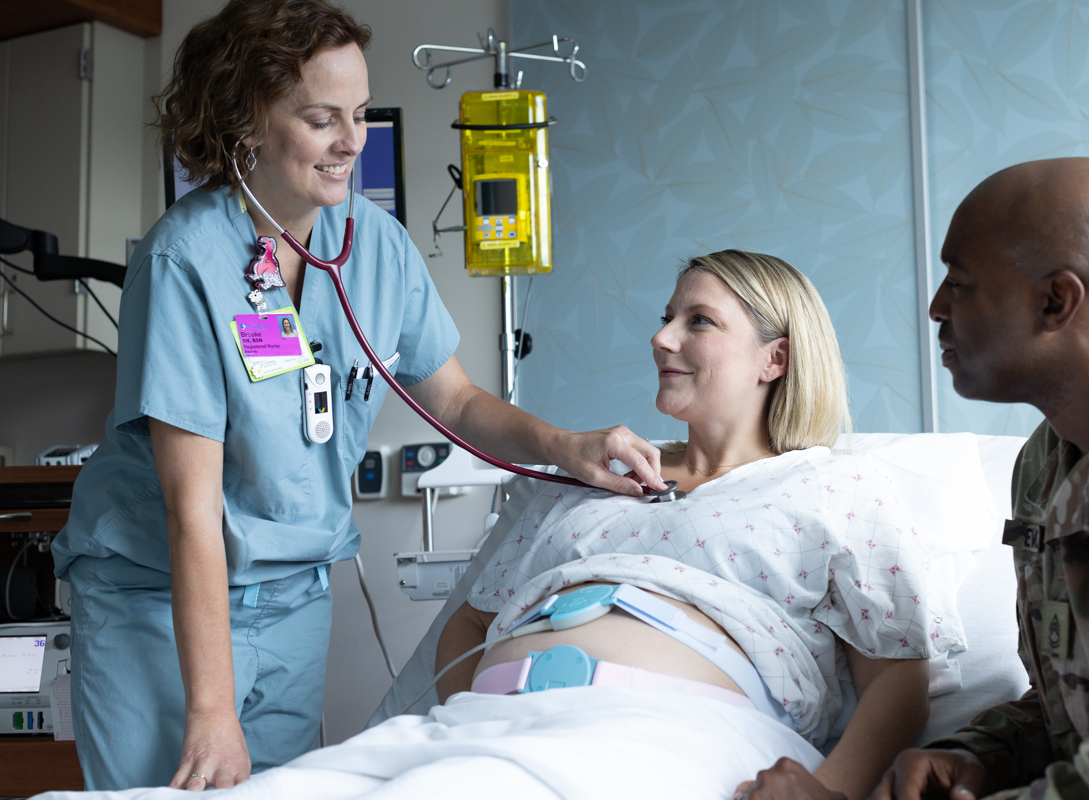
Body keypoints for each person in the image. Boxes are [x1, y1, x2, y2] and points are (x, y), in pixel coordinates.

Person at [50, 0, 665, 791]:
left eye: (361, 114)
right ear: (246, 124)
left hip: (295, 592)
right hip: (159, 598)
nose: (352, 142)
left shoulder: (372, 243)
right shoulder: (186, 264)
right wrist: (212, 710)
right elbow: (191, 509)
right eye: (321, 118)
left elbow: (456, 399)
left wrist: (567, 448)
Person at [434, 250, 962, 800]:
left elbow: (897, 674)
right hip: (481, 734)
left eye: (699, 321)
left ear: (774, 359)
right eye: (665, 318)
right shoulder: (597, 471)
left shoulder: (836, 486)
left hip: (678, 741)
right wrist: (459, 720)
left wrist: (827, 791)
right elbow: (471, 623)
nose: (662, 339)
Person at [862, 157, 1089, 800]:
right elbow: (1078, 705)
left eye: (960, 281)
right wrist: (980, 754)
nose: (934, 307)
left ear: (1055, 300)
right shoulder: (1043, 462)